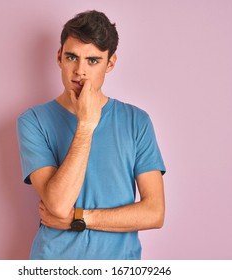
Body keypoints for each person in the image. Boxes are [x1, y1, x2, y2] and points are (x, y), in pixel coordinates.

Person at [17, 10, 166, 260]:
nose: (80, 71)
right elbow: (58, 205)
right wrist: (86, 124)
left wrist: (81, 218)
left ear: (110, 63)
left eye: (93, 61)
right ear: (59, 57)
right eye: (72, 57)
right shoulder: (32, 121)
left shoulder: (137, 121)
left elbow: (154, 213)